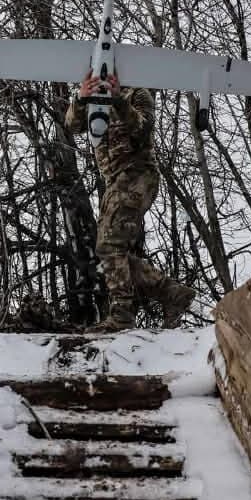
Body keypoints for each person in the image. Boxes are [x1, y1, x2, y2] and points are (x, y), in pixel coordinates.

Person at [66, 71, 196, 331]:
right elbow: (73, 125)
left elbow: (142, 125)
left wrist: (118, 100)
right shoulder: (95, 98)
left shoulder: (137, 93)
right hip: (115, 181)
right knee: (112, 251)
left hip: (138, 173)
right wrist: (81, 99)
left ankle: (123, 315)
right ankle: (172, 292)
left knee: (109, 245)